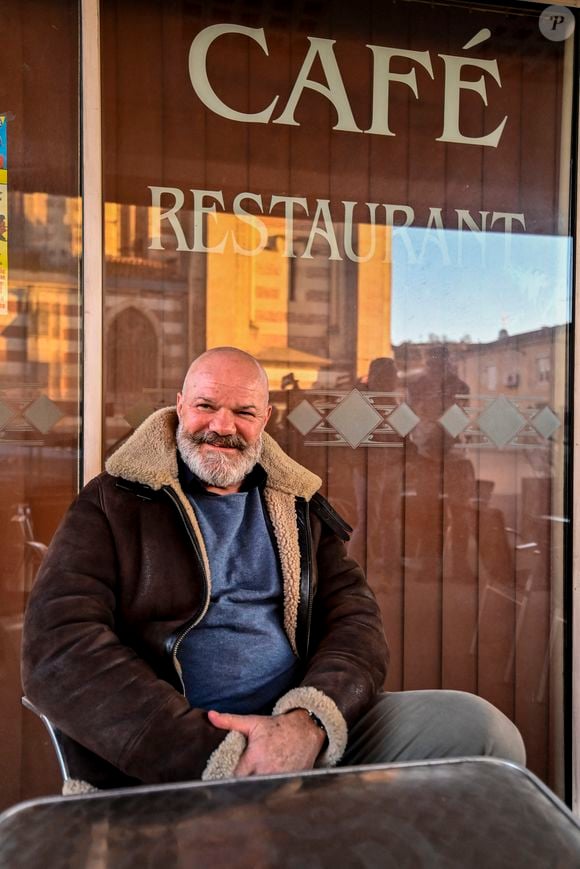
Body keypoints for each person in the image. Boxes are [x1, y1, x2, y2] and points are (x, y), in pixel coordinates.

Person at [22, 347, 525, 791]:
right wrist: (214, 754)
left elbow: (356, 623)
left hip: (308, 729)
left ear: (265, 419)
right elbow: (58, 647)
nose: (222, 426)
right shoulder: (113, 502)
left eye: (243, 411)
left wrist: (307, 722)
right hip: (178, 750)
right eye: (206, 407)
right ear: (180, 407)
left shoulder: (297, 506)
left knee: (481, 731)